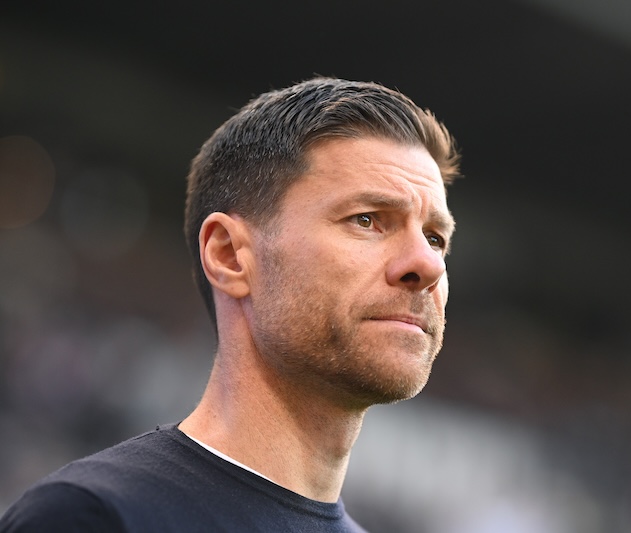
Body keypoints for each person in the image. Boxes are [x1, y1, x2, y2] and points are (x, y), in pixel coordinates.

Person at [0, 77, 460, 532]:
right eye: (367, 220)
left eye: (435, 238)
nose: (428, 264)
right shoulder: (96, 517)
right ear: (229, 256)